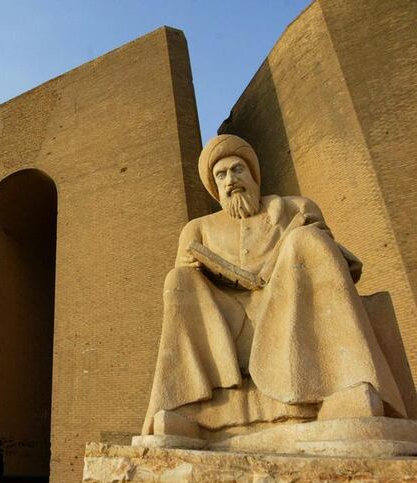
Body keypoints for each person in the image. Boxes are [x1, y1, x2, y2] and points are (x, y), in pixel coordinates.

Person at [142, 134, 406, 440]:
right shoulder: (198, 229)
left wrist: (312, 240)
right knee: (178, 280)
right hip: (225, 315)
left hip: (288, 300)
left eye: (238, 170)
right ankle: (187, 407)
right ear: (215, 188)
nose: (231, 180)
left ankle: (345, 383)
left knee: (306, 240)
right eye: (221, 175)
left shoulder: (295, 208)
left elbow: (336, 266)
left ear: (253, 175)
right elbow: (186, 281)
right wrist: (194, 267)